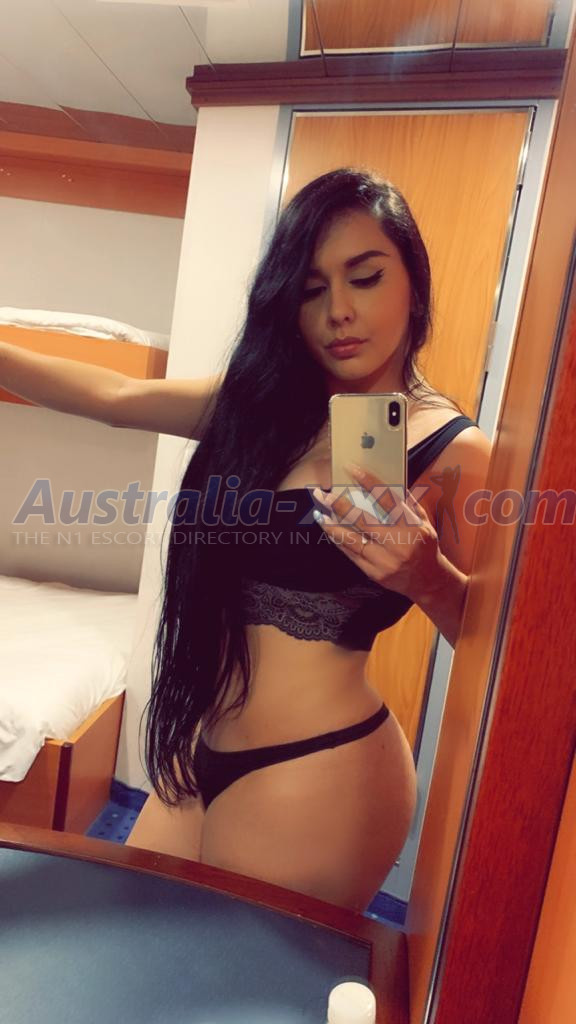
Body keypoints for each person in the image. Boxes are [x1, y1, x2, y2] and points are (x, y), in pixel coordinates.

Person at [0, 169, 490, 911]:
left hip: (322, 768)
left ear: (413, 286)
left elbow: (502, 659)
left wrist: (429, 579)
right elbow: (117, 397)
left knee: (235, 968)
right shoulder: (264, 407)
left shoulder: (453, 450)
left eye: (365, 278)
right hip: (202, 745)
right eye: (311, 290)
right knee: (143, 939)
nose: (339, 311)